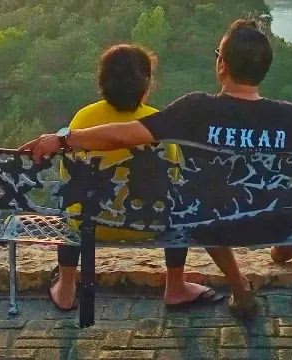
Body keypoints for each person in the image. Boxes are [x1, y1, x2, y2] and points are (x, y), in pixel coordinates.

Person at [21, 19, 292, 317]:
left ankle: (241, 287)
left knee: (206, 203)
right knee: (253, 204)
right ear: (264, 70)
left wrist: (64, 139)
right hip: (274, 221)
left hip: (215, 223)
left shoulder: (196, 109)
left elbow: (123, 134)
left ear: (223, 66)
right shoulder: (290, 117)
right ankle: (282, 249)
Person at [45, 44, 221, 311]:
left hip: (91, 224)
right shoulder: (156, 121)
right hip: (150, 222)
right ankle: (175, 286)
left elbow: (68, 176)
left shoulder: (83, 119)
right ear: (146, 82)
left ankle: (66, 288)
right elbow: (173, 178)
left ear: (102, 81)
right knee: (176, 203)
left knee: (72, 206)